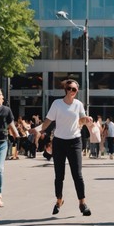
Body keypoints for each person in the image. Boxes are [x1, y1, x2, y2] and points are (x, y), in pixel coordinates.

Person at [39, 79, 92, 217]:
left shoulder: (79, 104)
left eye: (74, 89)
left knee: (77, 175)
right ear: (65, 89)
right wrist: (37, 130)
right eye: (69, 88)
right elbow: (48, 121)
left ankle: (82, 203)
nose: (71, 91)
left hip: (75, 141)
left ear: (77, 91)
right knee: (59, 175)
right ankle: (59, 200)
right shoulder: (57, 104)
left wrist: (86, 119)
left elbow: (81, 120)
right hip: (59, 142)